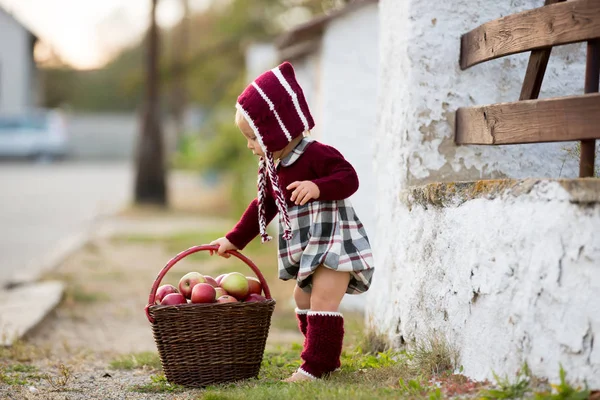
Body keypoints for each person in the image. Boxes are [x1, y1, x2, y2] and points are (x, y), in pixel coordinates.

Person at [210, 61, 374, 382]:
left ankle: (316, 365)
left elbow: (348, 178)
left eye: (253, 137)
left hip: (334, 241)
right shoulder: (279, 166)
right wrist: (234, 239)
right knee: (302, 298)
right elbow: (265, 204)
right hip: (312, 246)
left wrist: (318, 186)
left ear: (275, 129)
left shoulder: (316, 154)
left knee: (323, 298)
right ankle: (323, 355)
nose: (250, 146)